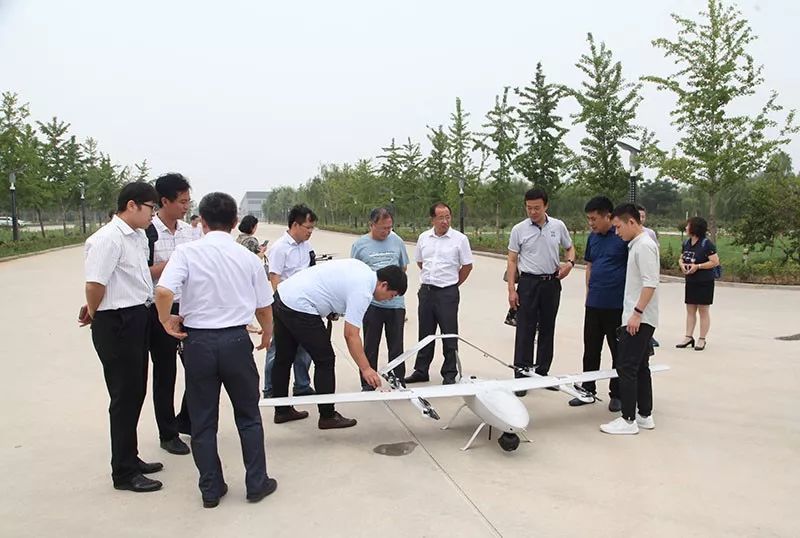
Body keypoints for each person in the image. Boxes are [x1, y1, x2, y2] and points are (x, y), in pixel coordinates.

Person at [155, 192, 278, 508]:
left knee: (203, 420)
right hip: (236, 342)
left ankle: (211, 488)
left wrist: (165, 320)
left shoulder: (186, 253)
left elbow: (164, 290)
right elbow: (265, 306)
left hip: (198, 344)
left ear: (203, 221)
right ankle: (256, 482)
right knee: (248, 416)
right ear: (235, 222)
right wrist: (267, 333)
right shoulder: (248, 257)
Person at [80, 182, 164, 492]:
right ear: (132, 205)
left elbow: (124, 278)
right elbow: (95, 284)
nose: (152, 216)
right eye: (150, 209)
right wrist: (94, 309)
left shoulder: (138, 236)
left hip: (137, 316)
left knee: (135, 391)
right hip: (117, 322)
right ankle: (124, 473)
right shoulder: (107, 239)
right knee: (124, 396)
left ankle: (131, 456)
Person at [271, 259, 407, 428]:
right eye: (392, 295)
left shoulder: (362, 269)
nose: (389, 300)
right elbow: (351, 335)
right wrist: (366, 368)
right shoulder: (363, 291)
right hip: (300, 305)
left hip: (283, 295)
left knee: (283, 358)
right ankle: (327, 416)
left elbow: (333, 286)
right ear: (384, 285)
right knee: (325, 360)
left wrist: (332, 309)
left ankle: (282, 411)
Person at [507, 188, 575, 396]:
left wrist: (569, 264)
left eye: (537, 208)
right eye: (529, 208)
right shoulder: (519, 229)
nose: (533, 212)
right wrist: (511, 289)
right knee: (525, 330)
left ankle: (542, 372)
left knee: (547, 329)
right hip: (528, 283)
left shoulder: (558, 226)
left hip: (551, 283)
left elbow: (569, 248)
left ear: (546, 206)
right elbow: (511, 259)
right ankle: (522, 375)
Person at [600, 203, 660, 435]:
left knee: (626, 368)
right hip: (641, 316)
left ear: (631, 222)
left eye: (618, 227)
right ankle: (644, 415)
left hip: (639, 319)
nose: (617, 232)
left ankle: (628, 419)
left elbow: (650, 283)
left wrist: (636, 314)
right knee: (641, 367)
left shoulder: (643, 246)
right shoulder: (639, 244)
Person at [146, 173, 195, 456]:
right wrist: (167, 267)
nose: (185, 206)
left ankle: (186, 419)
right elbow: (139, 273)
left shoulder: (189, 232)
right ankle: (168, 433)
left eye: (188, 201)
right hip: (160, 308)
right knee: (165, 371)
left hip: (187, 308)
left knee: (199, 367)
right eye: (181, 202)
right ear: (164, 201)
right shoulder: (147, 233)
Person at [404, 203, 473, 385]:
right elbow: (420, 262)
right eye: (441, 218)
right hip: (426, 291)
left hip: (447, 293)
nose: (445, 221)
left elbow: (467, 266)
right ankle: (421, 370)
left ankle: (449, 374)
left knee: (449, 335)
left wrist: (452, 284)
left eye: (448, 217)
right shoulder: (424, 238)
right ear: (432, 219)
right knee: (425, 334)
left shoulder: (459, 239)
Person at [569, 196, 627, 412]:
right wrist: (588, 292)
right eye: (589, 219)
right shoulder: (593, 238)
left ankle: (617, 394)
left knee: (617, 351)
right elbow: (590, 266)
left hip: (616, 305)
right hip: (594, 303)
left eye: (594, 219)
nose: (591, 223)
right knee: (591, 349)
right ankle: (587, 390)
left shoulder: (622, 237)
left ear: (608, 216)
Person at [350, 207, 409, 390]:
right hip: (372, 304)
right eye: (382, 228)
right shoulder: (360, 245)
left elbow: (403, 268)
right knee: (370, 345)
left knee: (396, 346)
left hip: (395, 304)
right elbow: (355, 271)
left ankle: (397, 380)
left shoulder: (397, 241)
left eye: (389, 228)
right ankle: (368, 382)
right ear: (372, 225)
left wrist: (391, 289)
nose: (386, 232)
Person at [262, 204, 317, 399]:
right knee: (278, 350)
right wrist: (280, 305)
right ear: (295, 224)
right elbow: (274, 277)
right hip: (285, 306)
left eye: (312, 228)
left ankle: (302, 386)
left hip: (305, 305)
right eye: (307, 227)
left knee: (304, 348)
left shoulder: (306, 246)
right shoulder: (280, 248)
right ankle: (270, 389)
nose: (310, 232)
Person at [676, 216, 720, 351]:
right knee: (690, 309)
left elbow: (715, 261)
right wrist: (682, 264)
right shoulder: (687, 243)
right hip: (691, 281)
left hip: (704, 281)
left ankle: (702, 339)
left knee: (703, 310)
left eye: (688, 225)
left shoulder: (706, 244)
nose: (686, 227)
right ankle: (688, 336)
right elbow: (681, 257)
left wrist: (698, 266)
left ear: (695, 227)